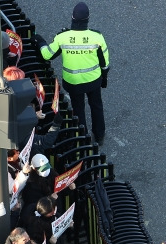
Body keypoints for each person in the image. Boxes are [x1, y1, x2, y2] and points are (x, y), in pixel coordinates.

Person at [35, 3, 110, 143]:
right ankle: (99, 135)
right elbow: (104, 63)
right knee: (96, 106)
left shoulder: (62, 37)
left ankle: (83, 137)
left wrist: (40, 41)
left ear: (72, 18)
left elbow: (47, 55)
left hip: (73, 82)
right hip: (93, 81)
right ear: (88, 19)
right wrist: (104, 78)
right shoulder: (97, 37)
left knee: (78, 108)